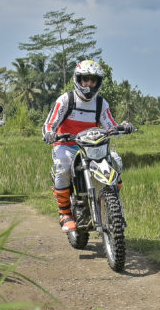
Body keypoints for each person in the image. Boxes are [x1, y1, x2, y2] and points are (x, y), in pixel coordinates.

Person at [42, 59, 135, 231]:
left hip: (93, 148)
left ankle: (113, 206)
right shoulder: (66, 100)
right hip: (66, 145)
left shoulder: (100, 103)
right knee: (63, 166)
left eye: (93, 80)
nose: (89, 84)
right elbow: (50, 124)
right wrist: (49, 134)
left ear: (98, 82)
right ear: (78, 80)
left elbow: (111, 125)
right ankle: (65, 213)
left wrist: (123, 127)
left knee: (116, 160)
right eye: (85, 79)